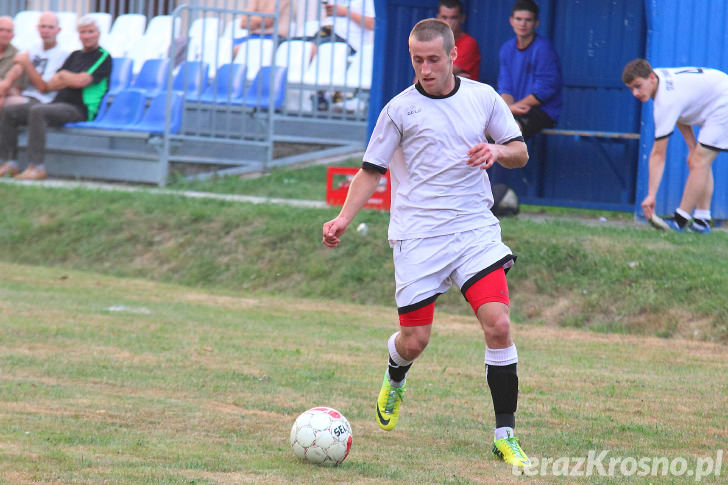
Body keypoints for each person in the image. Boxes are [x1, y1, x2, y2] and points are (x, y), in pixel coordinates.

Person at [322, 18, 532, 469]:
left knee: (498, 324)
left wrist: (495, 152)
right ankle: (395, 374)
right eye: (417, 60)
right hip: (418, 236)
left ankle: (504, 435)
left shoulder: (483, 97)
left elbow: (519, 151)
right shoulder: (399, 110)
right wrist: (343, 218)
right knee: (415, 340)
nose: (425, 68)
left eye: (433, 59)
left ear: (454, 56)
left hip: (473, 229)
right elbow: (371, 171)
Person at [622, 58, 727, 234]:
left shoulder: (665, 100)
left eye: (637, 86)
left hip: (723, 101)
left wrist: (651, 195)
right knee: (698, 159)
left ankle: (680, 221)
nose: (635, 93)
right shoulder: (657, 79)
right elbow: (679, 112)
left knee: (699, 160)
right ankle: (702, 222)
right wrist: (691, 145)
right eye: (631, 88)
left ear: (651, 78)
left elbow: (658, 154)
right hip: (718, 94)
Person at [0, 16, 111, 181]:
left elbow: (82, 81)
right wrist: (67, 78)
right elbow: (51, 83)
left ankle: (36, 166)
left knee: (38, 111)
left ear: (98, 34)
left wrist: (65, 76)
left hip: (81, 108)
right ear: (78, 35)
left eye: (91, 32)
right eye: (83, 32)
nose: (87, 36)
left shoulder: (103, 56)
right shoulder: (74, 55)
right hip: (58, 104)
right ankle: (10, 163)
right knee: (9, 111)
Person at [497, 0, 562, 139]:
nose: (522, 24)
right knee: (485, 128)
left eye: (528, 20)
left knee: (509, 131)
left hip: (541, 111)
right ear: (511, 21)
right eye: (519, 19)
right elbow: (505, 87)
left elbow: (543, 91)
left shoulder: (544, 48)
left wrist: (511, 108)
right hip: (514, 109)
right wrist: (509, 108)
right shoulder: (507, 48)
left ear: (536, 23)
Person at [0, 12, 69, 110]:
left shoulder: (63, 55)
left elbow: (43, 88)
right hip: (26, 96)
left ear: (58, 30)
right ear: (38, 28)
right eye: (43, 27)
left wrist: (27, 64)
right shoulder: (33, 49)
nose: (46, 31)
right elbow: (17, 69)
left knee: (6, 104)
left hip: (44, 101)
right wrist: (5, 85)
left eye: (50, 27)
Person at [436, 0, 480, 80]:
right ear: (438, 18)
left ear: (462, 18)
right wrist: (454, 77)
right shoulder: (433, 42)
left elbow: (439, 74)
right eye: (444, 17)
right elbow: (418, 81)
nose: (448, 22)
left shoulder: (469, 43)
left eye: (453, 18)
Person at [0, 16, 20, 103]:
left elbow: (18, 89)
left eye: (8, 31)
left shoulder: (18, 57)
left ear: (13, 35)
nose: (4, 34)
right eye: (1, 30)